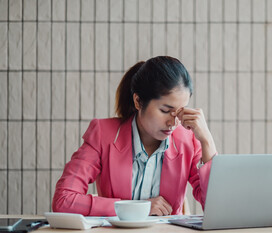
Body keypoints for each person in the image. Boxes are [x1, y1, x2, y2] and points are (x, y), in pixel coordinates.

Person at [52, 56, 217, 216]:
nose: (173, 122)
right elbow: (64, 200)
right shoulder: (103, 134)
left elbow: (215, 207)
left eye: (180, 112)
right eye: (165, 111)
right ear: (138, 101)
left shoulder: (188, 141)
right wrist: (138, 208)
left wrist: (207, 141)